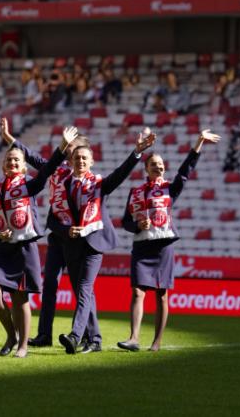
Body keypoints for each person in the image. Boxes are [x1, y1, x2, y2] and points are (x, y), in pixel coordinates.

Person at [0, 126, 78, 358]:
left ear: (24, 166)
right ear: (3, 165)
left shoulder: (29, 186)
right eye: (9, 160)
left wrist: (61, 148)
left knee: (20, 298)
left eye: (17, 160)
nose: (13, 163)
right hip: (4, 249)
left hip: (26, 247)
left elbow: (47, 171)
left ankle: (22, 346)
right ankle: (11, 335)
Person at [118, 129, 221, 352]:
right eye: (154, 164)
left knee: (162, 294)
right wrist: (137, 225)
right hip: (142, 245)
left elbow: (185, 171)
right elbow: (124, 221)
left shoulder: (169, 189)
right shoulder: (135, 192)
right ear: (146, 169)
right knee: (137, 291)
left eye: (162, 164)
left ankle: (156, 342)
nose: (159, 167)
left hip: (163, 244)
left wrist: (198, 143)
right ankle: (134, 338)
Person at [54, 131, 156, 354]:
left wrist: (137, 152)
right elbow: (52, 220)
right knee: (84, 294)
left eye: (84, 158)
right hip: (71, 244)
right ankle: (95, 339)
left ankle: (75, 335)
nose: (80, 161)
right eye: (77, 158)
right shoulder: (63, 185)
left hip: (94, 243)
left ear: (91, 162)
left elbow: (120, 175)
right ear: (70, 161)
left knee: (84, 289)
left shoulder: (98, 184)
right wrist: (66, 230)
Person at [0, 118, 95, 350]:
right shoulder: (57, 170)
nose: (66, 151)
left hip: (78, 237)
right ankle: (44, 334)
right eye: (67, 148)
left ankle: (90, 335)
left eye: (70, 148)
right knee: (49, 284)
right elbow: (31, 157)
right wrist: (11, 139)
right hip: (57, 235)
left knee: (81, 288)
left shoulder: (87, 179)